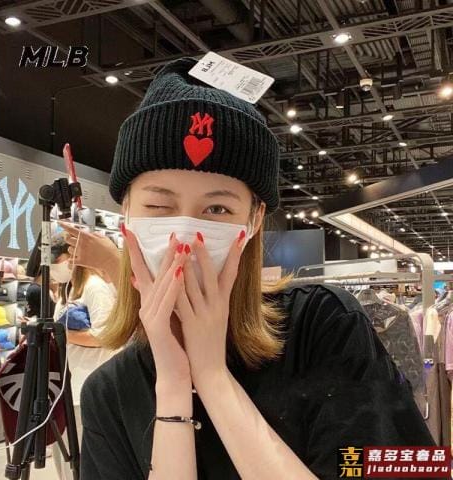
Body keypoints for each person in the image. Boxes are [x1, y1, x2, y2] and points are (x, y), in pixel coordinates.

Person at [80, 57, 436, 480]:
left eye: (217, 208)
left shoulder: (325, 326)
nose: (184, 237)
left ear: (253, 220)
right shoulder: (109, 392)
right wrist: (173, 389)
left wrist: (213, 377)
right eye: (158, 205)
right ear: (126, 213)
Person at [50, 233, 118, 479]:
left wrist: (63, 335)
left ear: (72, 257)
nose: (54, 267)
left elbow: (106, 335)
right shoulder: (67, 290)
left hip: (87, 383)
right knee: (65, 456)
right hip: (67, 384)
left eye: (57, 260)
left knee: (82, 456)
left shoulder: (95, 288)